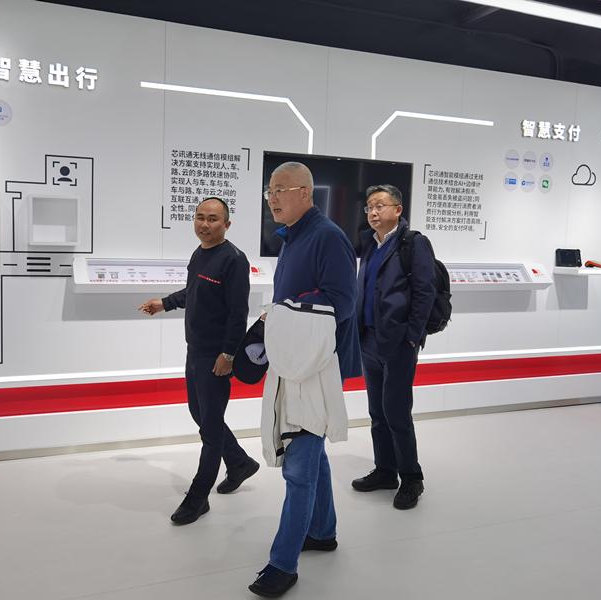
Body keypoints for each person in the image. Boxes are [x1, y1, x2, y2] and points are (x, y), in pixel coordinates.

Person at [248, 162, 360, 598]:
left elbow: (341, 302)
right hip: (294, 359)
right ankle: (323, 531)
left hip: (314, 366)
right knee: (310, 451)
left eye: (281, 190)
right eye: (269, 191)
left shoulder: (327, 237)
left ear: (305, 193)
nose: (273, 198)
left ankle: (283, 564)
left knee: (298, 466)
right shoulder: (294, 236)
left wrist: (285, 313)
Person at [139, 197, 259, 526]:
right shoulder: (199, 254)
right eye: (200, 217)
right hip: (195, 349)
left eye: (213, 219)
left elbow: (238, 312)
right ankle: (239, 463)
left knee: (210, 427)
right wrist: (164, 303)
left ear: (227, 224)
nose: (204, 224)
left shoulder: (234, 260)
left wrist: (228, 354)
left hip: (215, 354)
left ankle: (198, 496)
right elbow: (193, 292)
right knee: (200, 414)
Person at [351, 184, 436, 510]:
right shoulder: (370, 244)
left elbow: (425, 292)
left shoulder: (412, 243)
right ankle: (385, 470)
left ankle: (411, 477)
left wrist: (412, 336)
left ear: (398, 210)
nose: (373, 212)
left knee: (397, 412)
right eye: (369, 207)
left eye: (380, 206)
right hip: (369, 340)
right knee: (377, 412)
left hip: (398, 343)